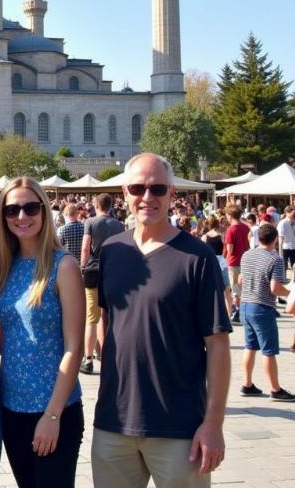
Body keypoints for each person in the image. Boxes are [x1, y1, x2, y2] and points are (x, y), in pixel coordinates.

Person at [92, 153, 231, 488]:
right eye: (138, 187)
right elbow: (107, 318)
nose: (147, 197)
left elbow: (218, 345)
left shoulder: (197, 257)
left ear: (171, 193)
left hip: (178, 427)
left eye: (156, 188)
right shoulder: (112, 250)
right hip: (114, 422)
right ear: (125, 192)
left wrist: (213, 424)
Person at [0, 176, 85, 487]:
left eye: (31, 208)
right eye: (12, 210)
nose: (22, 217)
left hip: (53, 407)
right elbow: (7, 336)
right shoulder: (6, 266)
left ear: (45, 211)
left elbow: (75, 347)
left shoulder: (64, 266)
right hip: (12, 407)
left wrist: (53, 415)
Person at [238, 223, 294, 401]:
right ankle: (275, 389)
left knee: (250, 346)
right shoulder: (275, 259)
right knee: (269, 350)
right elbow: (275, 288)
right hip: (262, 307)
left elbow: (240, 279)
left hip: (246, 305)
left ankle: (247, 384)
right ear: (275, 239)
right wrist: (291, 292)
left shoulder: (247, 254)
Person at [79, 193, 124, 374]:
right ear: (111, 206)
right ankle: (107, 355)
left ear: (96, 205)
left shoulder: (90, 223)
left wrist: (82, 266)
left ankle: (88, 359)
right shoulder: (119, 225)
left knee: (92, 316)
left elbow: (85, 247)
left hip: (93, 270)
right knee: (109, 316)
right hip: (114, 270)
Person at [224, 205, 250, 322]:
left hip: (234, 262)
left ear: (229, 215)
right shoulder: (246, 227)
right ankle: (242, 310)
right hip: (245, 260)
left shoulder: (231, 230)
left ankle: (238, 312)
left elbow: (230, 249)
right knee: (243, 287)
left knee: (235, 288)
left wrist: (225, 262)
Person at [277, 206, 295, 280]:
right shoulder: (282, 223)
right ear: (287, 213)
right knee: (284, 265)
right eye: (292, 212)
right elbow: (280, 238)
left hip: (294, 246)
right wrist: (280, 252)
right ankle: (283, 278)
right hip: (285, 247)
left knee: (294, 264)